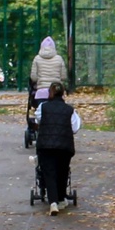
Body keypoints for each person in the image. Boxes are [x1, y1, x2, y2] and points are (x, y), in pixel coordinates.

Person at [35, 81, 81, 215]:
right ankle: (61, 198)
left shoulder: (43, 107)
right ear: (63, 94)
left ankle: (53, 202)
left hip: (46, 146)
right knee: (62, 172)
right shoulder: (70, 110)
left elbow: (38, 120)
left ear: (50, 93)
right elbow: (75, 127)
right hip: (64, 146)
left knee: (49, 173)